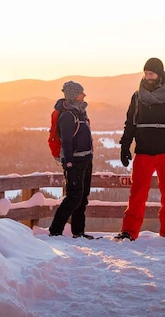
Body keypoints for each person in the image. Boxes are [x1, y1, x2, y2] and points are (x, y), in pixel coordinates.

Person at [116, 58, 165, 242]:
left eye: (151, 73)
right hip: (143, 151)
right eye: (146, 73)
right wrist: (125, 145)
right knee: (137, 195)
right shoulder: (137, 96)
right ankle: (129, 232)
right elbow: (130, 123)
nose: (148, 77)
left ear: (160, 74)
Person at [48, 81, 95, 239]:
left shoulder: (80, 112)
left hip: (86, 159)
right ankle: (55, 231)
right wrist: (68, 162)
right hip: (74, 162)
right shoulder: (68, 115)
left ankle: (78, 232)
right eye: (81, 92)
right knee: (74, 197)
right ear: (74, 95)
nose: (84, 95)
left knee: (82, 197)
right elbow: (67, 140)